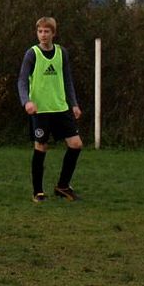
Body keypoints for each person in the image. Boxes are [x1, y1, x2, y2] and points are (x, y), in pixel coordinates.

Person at [17, 16, 84, 203]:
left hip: (60, 108)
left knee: (76, 144)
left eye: (47, 31)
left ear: (53, 33)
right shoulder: (32, 54)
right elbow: (22, 80)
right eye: (40, 31)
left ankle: (63, 186)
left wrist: (74, 104)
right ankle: (38, 192)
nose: (43, 35)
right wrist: (26, 102)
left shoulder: (62, 53)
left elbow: (67, 80)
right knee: (41, 147)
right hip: (41, 110)